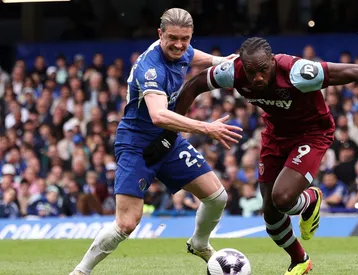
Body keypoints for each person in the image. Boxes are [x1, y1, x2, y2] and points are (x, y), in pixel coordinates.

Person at [175, 37, 358, 275]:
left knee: (282, 198)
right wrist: (171, 125)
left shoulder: (297, 72)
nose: (256, 78)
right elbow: (195, 84)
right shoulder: (233, 73)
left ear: (271, 61)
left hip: (312, 133)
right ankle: (300, 260)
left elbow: (357, 71)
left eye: (262, 70)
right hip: (275, 135)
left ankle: (311, 199)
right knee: (269, 210)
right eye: (250, 71)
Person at [70, 8, 242, 275]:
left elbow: (192, 54)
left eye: (185, 38)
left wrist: (219, 60)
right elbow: (159, 115)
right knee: (126, 223)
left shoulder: (182, 48)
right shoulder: (151, 68)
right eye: (172, 37)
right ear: (160, 34)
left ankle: (199, 243)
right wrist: (206, 128)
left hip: (167, 141)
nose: (179, 44)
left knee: (217, 197)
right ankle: (81, 271)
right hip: (136, 144)